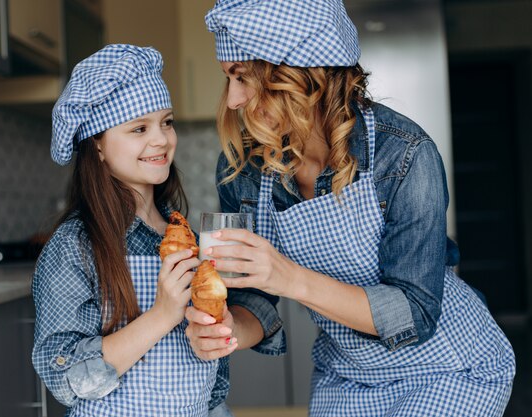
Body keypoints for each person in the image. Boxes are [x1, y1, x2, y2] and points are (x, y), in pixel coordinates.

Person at [185, 1, 517, 416]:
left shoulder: (403, 154)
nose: (233, 99)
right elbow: (253, 296)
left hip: (447, 367)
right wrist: (230, 328)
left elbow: (414, 313)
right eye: (227, 78)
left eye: (245, 78)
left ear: (305, 75)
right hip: (348, 375)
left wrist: (290, 278)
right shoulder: (244, 169)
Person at [32, 44, 252, 416]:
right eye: (139, 128)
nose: (161, 139)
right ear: (98, 145)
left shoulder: (186, 238)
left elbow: (212, 377)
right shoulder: (75, 245)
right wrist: (163, 314)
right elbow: (66, 378)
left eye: (166, 122)